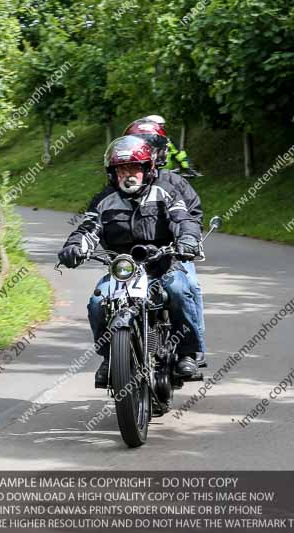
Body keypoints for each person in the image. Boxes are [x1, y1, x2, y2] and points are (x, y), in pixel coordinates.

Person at [57, 136, 205, 387]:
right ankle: (110, 358)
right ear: (113, 173)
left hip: (163, 264)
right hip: (122, 270)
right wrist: (74, 247)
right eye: (122, 169)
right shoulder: (104, 200)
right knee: (97, 303)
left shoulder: (164, 192)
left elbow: (183, 219)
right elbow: (89, 228)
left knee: (179, 290)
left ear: (148, 169)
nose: (129, 174)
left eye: (135, 168)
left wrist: (187, 240)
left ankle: (186, 353)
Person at [122, 117, 207, 366]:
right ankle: (116, 354)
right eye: (141, 144)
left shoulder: (173, 181)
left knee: (187, 286)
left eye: (151, 145)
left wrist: (186, 241)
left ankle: (192, 349)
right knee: (108, 298)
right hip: (132, 258)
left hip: (172, 254)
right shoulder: (123, 180)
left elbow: (191, 215)